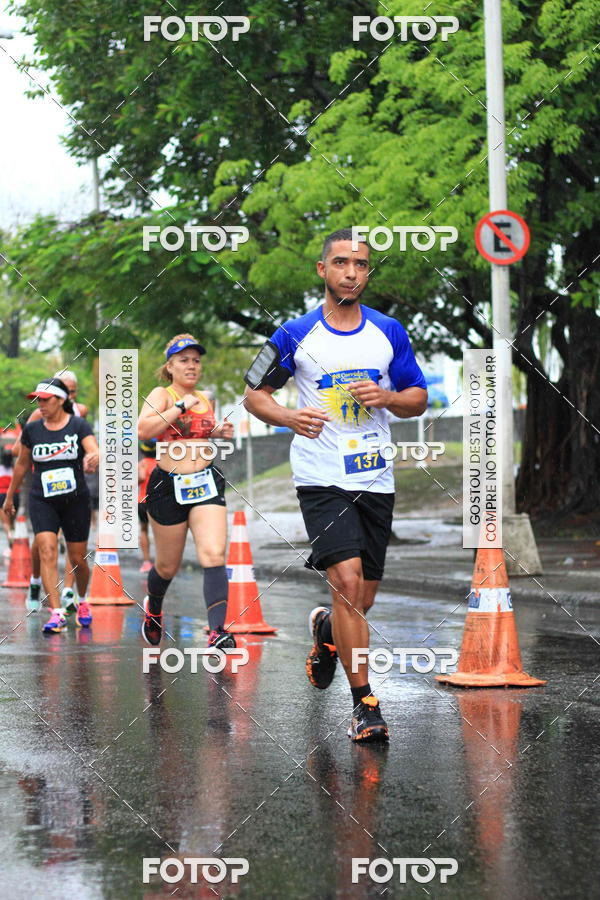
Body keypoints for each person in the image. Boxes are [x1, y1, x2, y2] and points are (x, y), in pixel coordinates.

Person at [244, 228, 427, 743]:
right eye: (342, 262)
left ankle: (327, 631)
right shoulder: (293, 333)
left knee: (360, 600)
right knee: (346, 582)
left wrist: (388, 399)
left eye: (362, 264)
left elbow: (418, 396)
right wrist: (287, 416)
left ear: (368, 273)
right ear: (322, 270)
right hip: (320, 478)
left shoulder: (388, 331)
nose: (352, 272)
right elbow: (253, 393)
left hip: (374, 475)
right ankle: (364, 704)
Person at [137, 335, 235, 648]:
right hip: (168, 484)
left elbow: (202, 431)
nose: (191, 365)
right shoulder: (162, 394)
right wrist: (180, 406)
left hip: (206, 482)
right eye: (184, 360)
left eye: (195, 360)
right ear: (170, 366)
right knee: (167, 566)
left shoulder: (206, 398)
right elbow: (144, 430)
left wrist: (219, 431)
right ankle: (154, 607)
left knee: (213, 553)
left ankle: (217, 631)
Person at [2, 378, 99, 631]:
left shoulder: (78, 425)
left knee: (78, 558)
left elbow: (92, 449)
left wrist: (93, 458)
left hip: (75, 499)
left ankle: (83, 599)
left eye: (45, 400)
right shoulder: (33, 430)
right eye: (38, 400)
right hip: (42, 499)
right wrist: (10, 496)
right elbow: (22, 463)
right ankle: (56, 613)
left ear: (60, 400)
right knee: (47, 549)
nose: (40, 405)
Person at [138, 439, 158, 573]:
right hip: (158, 501)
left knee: (144, 530)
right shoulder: (162, 464)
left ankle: (146, 562)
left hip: (142, 501)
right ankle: (162, 563)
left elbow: (138, 479)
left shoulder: (141, 464)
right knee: (161, 532)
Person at [0, 447, 19, 554]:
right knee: (12, 522)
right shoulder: (15, 469)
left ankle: (10, 536)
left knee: (5, 523)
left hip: (2, 496)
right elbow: (21, 483)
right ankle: (13, 546)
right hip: (15, 496)